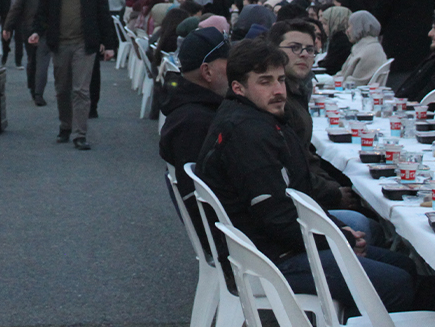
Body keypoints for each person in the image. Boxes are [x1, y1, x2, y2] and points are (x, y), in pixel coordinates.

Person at [194, 39, 414, 313]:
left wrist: (337, 231)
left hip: (274, 244)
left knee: (404, 266)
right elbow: (276, 218)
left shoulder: (257, 118)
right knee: (400, 284)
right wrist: (337, 239)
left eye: (280, 80)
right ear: (238, 88)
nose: (278, 91)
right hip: (268, 260)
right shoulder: (247, 134)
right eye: (265, 82)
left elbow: (299, 196)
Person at [269, 20, 376, 242]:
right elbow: (294, 165)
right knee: (367, 224)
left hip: (305, 194)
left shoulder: (296, 91)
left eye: (310, 49)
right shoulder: (278, 100)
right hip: (295, 208)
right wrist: (334, 192)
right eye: (295, 48)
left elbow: (304, 154)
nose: (304, 55)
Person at [29, 0, 118, 150]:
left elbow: (104, 17)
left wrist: (110, 45)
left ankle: (80, 133)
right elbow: (41, 14)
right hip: (59, 44)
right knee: (62, 89)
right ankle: (65, 126)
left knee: (81, 90)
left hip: (84, 45)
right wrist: (36, 32)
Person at [159, 27, 229, 234]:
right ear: (207, 71)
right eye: (229, 63)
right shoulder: (196, 123)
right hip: (234, 241)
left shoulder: (190, 110)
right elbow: (206, 202)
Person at [5, 0, 54, 106]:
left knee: (31, 58)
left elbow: (17, 8)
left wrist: (8, 26)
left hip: (27, 27)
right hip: (47, 28)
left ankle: (32, 87)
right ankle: (39, 92)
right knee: (43, 60)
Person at [336, 11, 387, 87]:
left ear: (359, 27)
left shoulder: (369, 51)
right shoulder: (364, 47)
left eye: (349, 26)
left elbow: (355, 83)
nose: (347, 31)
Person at [319, 6, 351, 75]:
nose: (323, 28)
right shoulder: (338, 38)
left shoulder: (341, 40)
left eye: (325, 23)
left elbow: (331, 64)